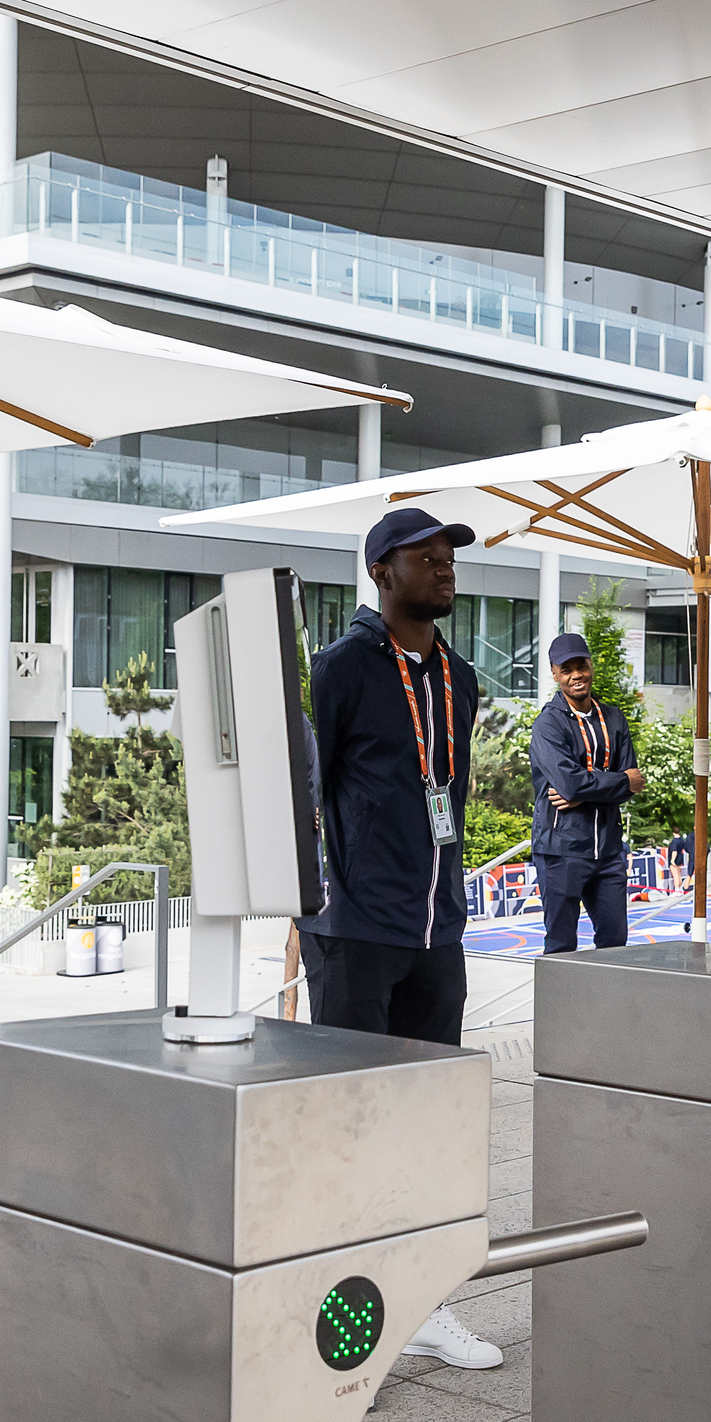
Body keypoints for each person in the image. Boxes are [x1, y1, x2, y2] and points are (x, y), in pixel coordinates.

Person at [302, 507, 503, 1371]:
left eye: (450, 556)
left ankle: (421, 1305)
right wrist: (313, 907)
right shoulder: (341, 668)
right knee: (351, 1129)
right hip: (356, 929)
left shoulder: (459, 677)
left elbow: (446, 795)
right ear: (382, 572)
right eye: (427, 557)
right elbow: (312, 792)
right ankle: (342, 1331)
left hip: (437, 932)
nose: (445, 567)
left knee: (425, 1127)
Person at [530, 631, 645, 952]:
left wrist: (583, 792)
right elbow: (571, 783)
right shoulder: (548, 724)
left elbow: (633, 782)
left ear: (591, 666)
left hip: (608, 851)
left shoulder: (614, 718)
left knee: (615, 943)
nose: (576, 675)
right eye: (566, 670)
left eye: (581, 666)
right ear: (554, 674)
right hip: (561, 850)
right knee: (561, 946)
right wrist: (615, 782)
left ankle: (605, 991)